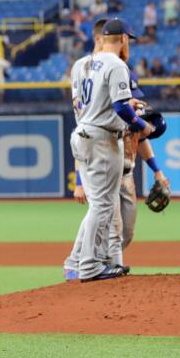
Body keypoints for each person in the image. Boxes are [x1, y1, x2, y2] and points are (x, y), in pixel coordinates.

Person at [67, 18, 153, 282]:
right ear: (124, 39)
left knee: (98, 205)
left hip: (82, 133)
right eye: (128, 40)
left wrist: (128, 104)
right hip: (102, 138)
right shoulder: (117, 64)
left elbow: (90, 102)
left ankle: (77, 261)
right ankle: (90, 265)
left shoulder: (81, 64)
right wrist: (141, 124)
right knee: (103, 206)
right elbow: (120, 108)